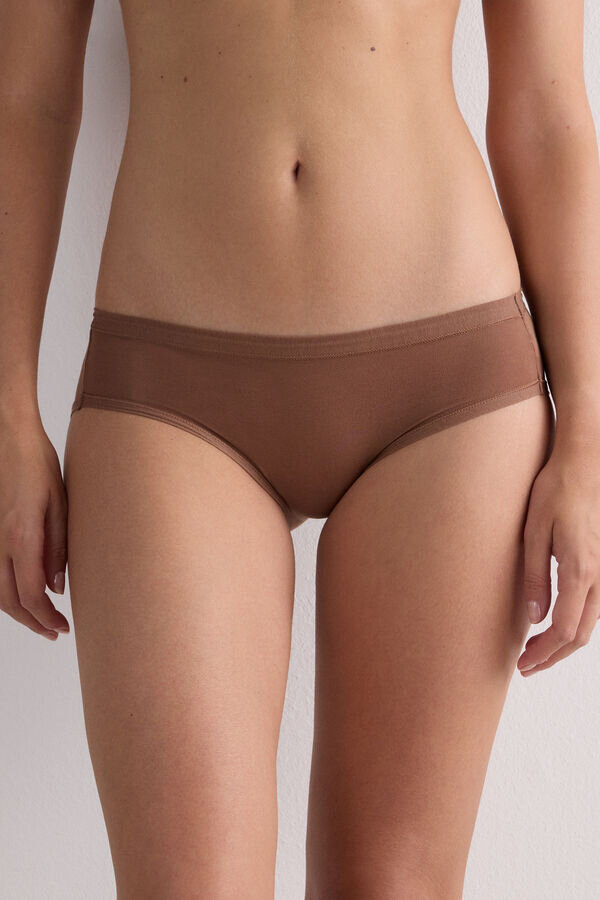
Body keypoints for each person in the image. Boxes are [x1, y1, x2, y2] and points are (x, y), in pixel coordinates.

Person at [1, 0, 599, 897]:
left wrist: (589, 429)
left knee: (393, 886)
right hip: (168, 385)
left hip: (447, 384)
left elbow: (548, 108)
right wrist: (9, 417)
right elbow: (27, 100)